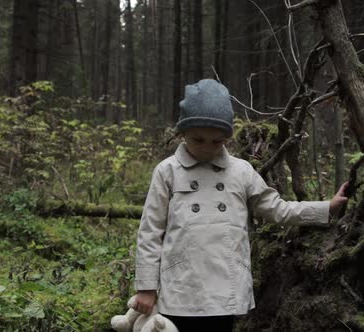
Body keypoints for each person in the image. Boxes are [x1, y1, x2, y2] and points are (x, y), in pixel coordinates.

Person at [132, 79, 348, 332]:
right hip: (181, 287)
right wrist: (146, 287)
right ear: (182, 133)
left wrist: (326, 208)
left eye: (216, 142)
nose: (206, 148)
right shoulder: (167, 171)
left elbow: (276, 209)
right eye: (198, 139)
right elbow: (150, 232)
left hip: (225, 287)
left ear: (226, 138)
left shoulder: (241, 172)